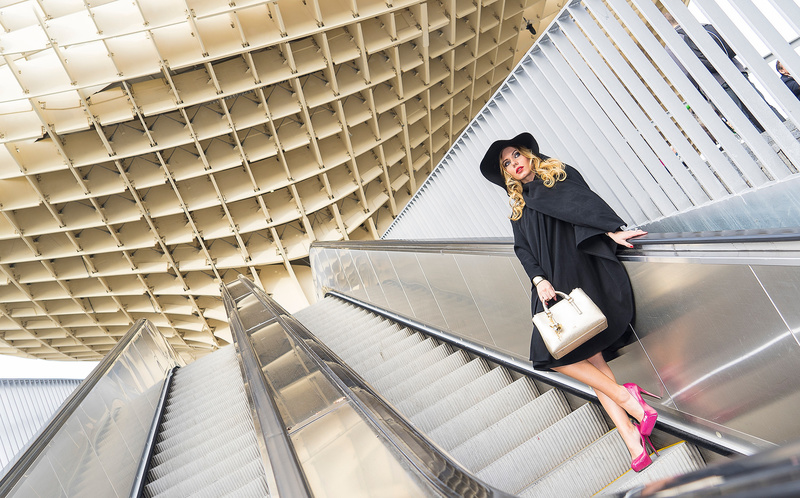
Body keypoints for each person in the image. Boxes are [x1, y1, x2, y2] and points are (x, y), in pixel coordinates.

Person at [479, 132, 657, 473]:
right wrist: (539, 279)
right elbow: (523, 250)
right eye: (506, 163)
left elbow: (585, 208)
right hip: (549, 288)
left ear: (528, 155)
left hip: (578, 274)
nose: (514, 162)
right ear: (505, 174)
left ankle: (631, 432)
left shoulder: (559, 176)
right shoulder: (518, 208)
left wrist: (612, 231)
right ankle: (629, 413)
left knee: (582, 362)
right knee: (566, 360)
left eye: (516, 155)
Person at [663, 11, 776, 133]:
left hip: (717, 86)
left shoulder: (672, 44)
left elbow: (686, 75)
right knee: (764, 110)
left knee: (744, 123)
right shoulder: (701, 27)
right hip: (737, 74)